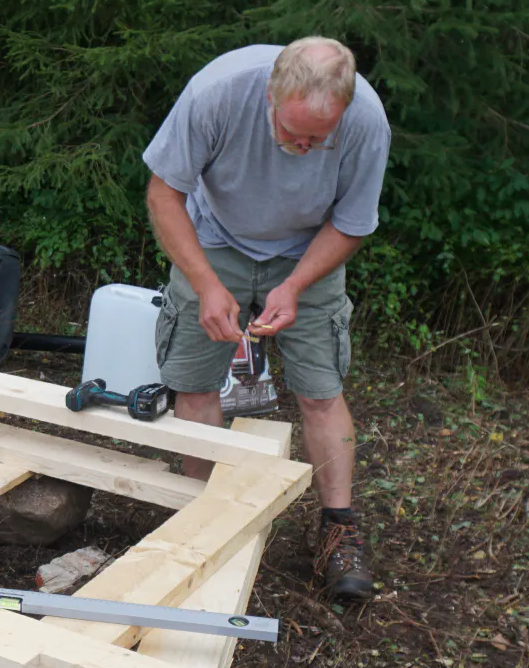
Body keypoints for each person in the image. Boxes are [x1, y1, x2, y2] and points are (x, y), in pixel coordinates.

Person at [141, 37, 389, 600]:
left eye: (316, 139)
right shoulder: (218, 94)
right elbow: (164, 194)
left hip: (310, 252)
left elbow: (352, 221)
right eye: (291, 132)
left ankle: (338, 531)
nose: (302, 146)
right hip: (214, 239)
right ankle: (201, 522)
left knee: (321, 391)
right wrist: (206, 285)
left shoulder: (366, 121)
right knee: (195, 381)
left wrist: (297, 285)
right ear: (270, 96)